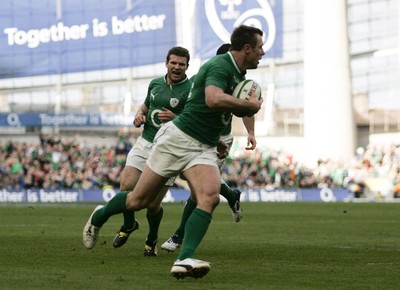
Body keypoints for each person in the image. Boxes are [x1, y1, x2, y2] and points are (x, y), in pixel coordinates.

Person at [83, 24, 264, 279]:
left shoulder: (239, 76)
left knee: (209, 197)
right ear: (247, 48)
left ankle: (184, 258)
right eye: (260, 47)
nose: (262, 53)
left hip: (203, 146)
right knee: (139, 200)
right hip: (177, 140)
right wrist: (248, 105)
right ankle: (99, 216)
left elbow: (215, 111)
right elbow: (212, 99)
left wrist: (220, 138)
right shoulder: (220, 66)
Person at [83, 46, 192, 256]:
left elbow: (193, 121)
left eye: (181, 64)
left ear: (187, 66)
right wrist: (138, 116)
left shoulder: (190, 90)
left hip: (169, 150)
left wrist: (176, 119)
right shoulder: (155, 84)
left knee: (152, 205)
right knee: (126, 186)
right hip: (145, 142)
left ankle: (151, 239)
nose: (177, 67)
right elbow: (145, 107)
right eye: (174, 63)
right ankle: (129, 224)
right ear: (166, 63)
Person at [160, 43, 258, 253]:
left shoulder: (240, 83)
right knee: (195, 182)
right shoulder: (203, 78)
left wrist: (250, 133)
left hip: (219, 138)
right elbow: (188, 108)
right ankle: (232, 196)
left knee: (198, 191)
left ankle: (179, 236)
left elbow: (248, 109)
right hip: (194, 134)